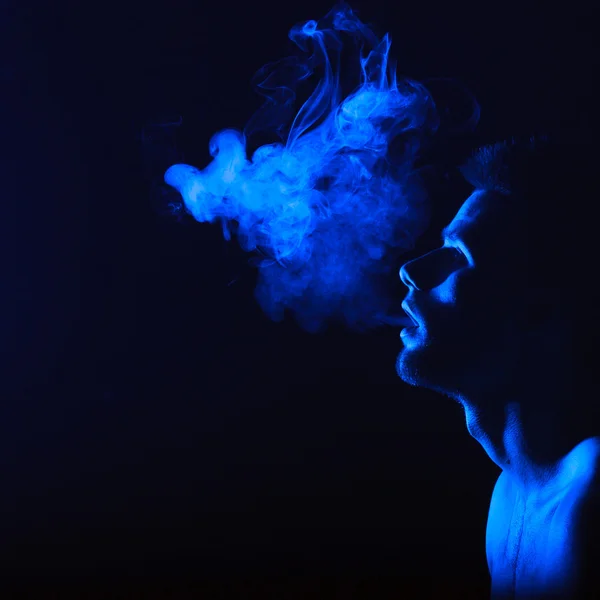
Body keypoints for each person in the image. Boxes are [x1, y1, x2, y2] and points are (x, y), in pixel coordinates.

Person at [396, 135, 600, 599]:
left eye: (459, 256)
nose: (412, 270)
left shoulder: (592, 500)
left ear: (538, 311)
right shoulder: (509, 496)